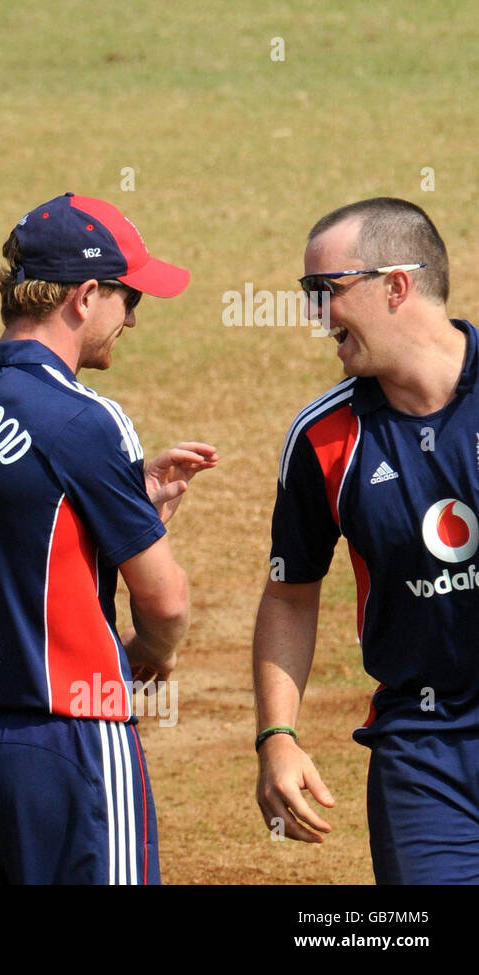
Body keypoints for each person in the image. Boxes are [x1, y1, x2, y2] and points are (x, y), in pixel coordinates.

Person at [0, 193, 215, 883]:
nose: (132, 316)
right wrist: (145, 655)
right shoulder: (85, 419)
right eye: (127, 296)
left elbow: (3, 535)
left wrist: (122, 512)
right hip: (71, 736)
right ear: (83, 296)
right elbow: (164, 601)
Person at [254, 197, 479, 884]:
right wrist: (277, 736)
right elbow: (290, 595)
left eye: (326, 292)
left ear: (397, 284)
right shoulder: (324, 439)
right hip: (424, 756)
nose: (315, 317)